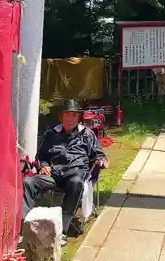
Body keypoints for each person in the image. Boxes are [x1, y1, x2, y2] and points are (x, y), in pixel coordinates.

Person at [22, 99, 108, 240]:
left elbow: (98, 153)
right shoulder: (51, 134)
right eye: (67, 115)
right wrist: (43, 165)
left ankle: (63, 229)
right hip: (54, 174)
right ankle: (25, 224)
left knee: (76, 183)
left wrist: (101, 160)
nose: (70, 118)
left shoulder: (87, 134)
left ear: (79, 117)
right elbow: (41, 156)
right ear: (61, 117)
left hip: (75, 173)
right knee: (28, 181)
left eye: (74, 115)